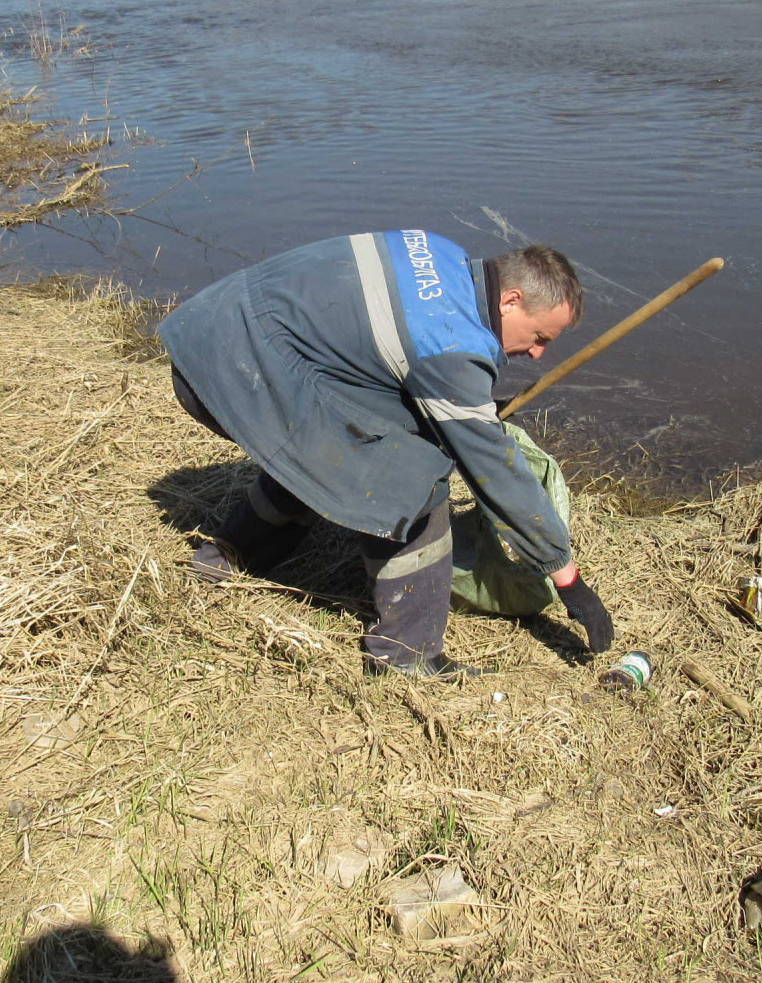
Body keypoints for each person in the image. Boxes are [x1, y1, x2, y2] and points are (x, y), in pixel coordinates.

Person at [157, 229, 616, 682]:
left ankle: (228, 558)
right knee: (411, 476)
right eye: (540, 336)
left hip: (208, 329)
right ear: (510, 300)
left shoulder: (436, 249)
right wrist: (565, 575)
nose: (536, 354)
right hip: (231, 375)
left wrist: (456, 408)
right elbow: (494, 471)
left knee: (342, 440)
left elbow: (379, 351)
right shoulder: (453, 349)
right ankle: (406, 654)